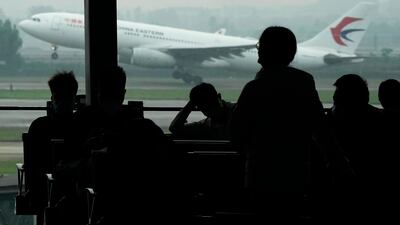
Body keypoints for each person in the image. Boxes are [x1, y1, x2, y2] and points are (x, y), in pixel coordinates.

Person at [230, 26, 350, 223]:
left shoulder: (253, 89)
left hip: (259, 177)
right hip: (295, 176)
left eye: (261, 46)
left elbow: (236, 135)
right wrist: (339, 165)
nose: (257, 50)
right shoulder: (304, 83)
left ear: (267, 51)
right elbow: (321, 130)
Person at [74, 66, 188, 224]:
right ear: (123, 94)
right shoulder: (142, 124)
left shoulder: (82, 120)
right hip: (141, 201)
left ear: (98, 92)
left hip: (102, 202)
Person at [26, 71, 78, 225]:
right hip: (74, 194)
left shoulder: (39, 126)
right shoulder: (80, 126)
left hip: (44, 192)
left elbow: (32, 164)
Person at [169, 82, 235, 139]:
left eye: (211, 105)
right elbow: (175, 128)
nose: (213, 114)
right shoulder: (240, 113)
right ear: (219, 97)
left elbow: (175, 128)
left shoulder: (206, 126)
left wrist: (190, 106)